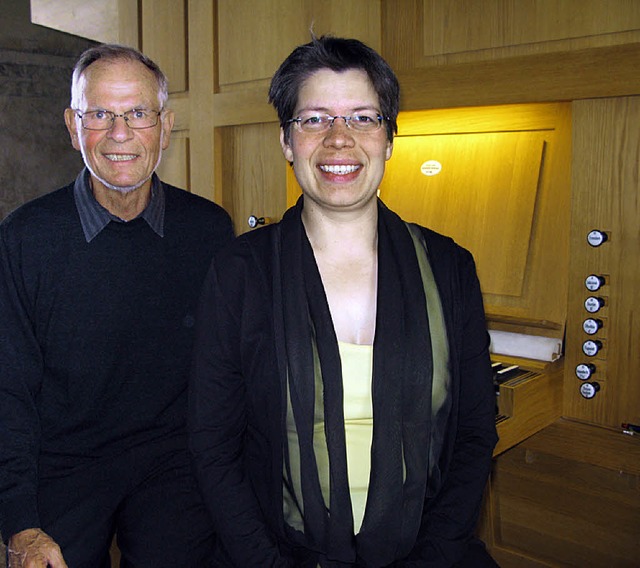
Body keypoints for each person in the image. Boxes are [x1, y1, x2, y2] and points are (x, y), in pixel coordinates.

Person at [189, 35, 499, 567]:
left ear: (389, 139)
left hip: (425, 552)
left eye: (362, 117)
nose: (339, 139)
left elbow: (474, 432)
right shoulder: (239, 273)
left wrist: (433, 556)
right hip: (278, 554)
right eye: (314, 119)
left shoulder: (450, 267)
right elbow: (213, 447)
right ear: (287, 142)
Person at [0, 44, 234, 567]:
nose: (119, 132)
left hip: (173, 462)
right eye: (100, 113)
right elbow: (7, 389)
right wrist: (18, 522)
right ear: (72, 125)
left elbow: (231, 374)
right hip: (62, 461)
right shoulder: (24, 238)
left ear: (165, 125)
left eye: (137, 113)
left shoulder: (210, 230)